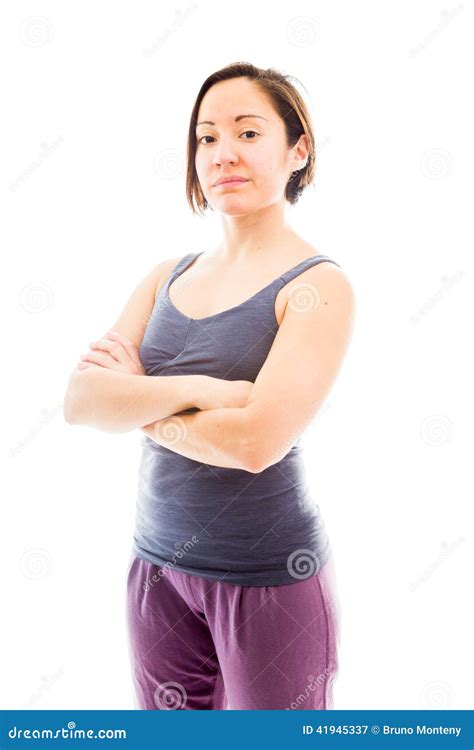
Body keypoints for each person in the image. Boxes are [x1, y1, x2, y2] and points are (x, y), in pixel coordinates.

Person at [64, 61, 355, 710]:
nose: (223, 152)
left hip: (269, 580)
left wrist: (138, 402)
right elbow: (81, 401)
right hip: (155, 568)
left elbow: (256, 444)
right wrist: (206, 390)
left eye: (249, 133)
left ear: (297, 148)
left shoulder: (317, 287)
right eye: (206, 137)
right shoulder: (165, 275)